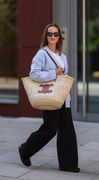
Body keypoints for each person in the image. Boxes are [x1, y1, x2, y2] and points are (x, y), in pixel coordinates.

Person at [18, 23, 80, 173]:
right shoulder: (42, 54)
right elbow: (33, 74)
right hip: (49, 96)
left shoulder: (62, 55)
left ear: (60, 37)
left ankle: (68, 164)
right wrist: (54, 73)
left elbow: (62, 77)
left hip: (63, 97)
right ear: (46, 37)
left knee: (67, 130)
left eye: (56, 34)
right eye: (50, 34)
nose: (53, 37)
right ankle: (25, 149)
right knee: (50, 129)